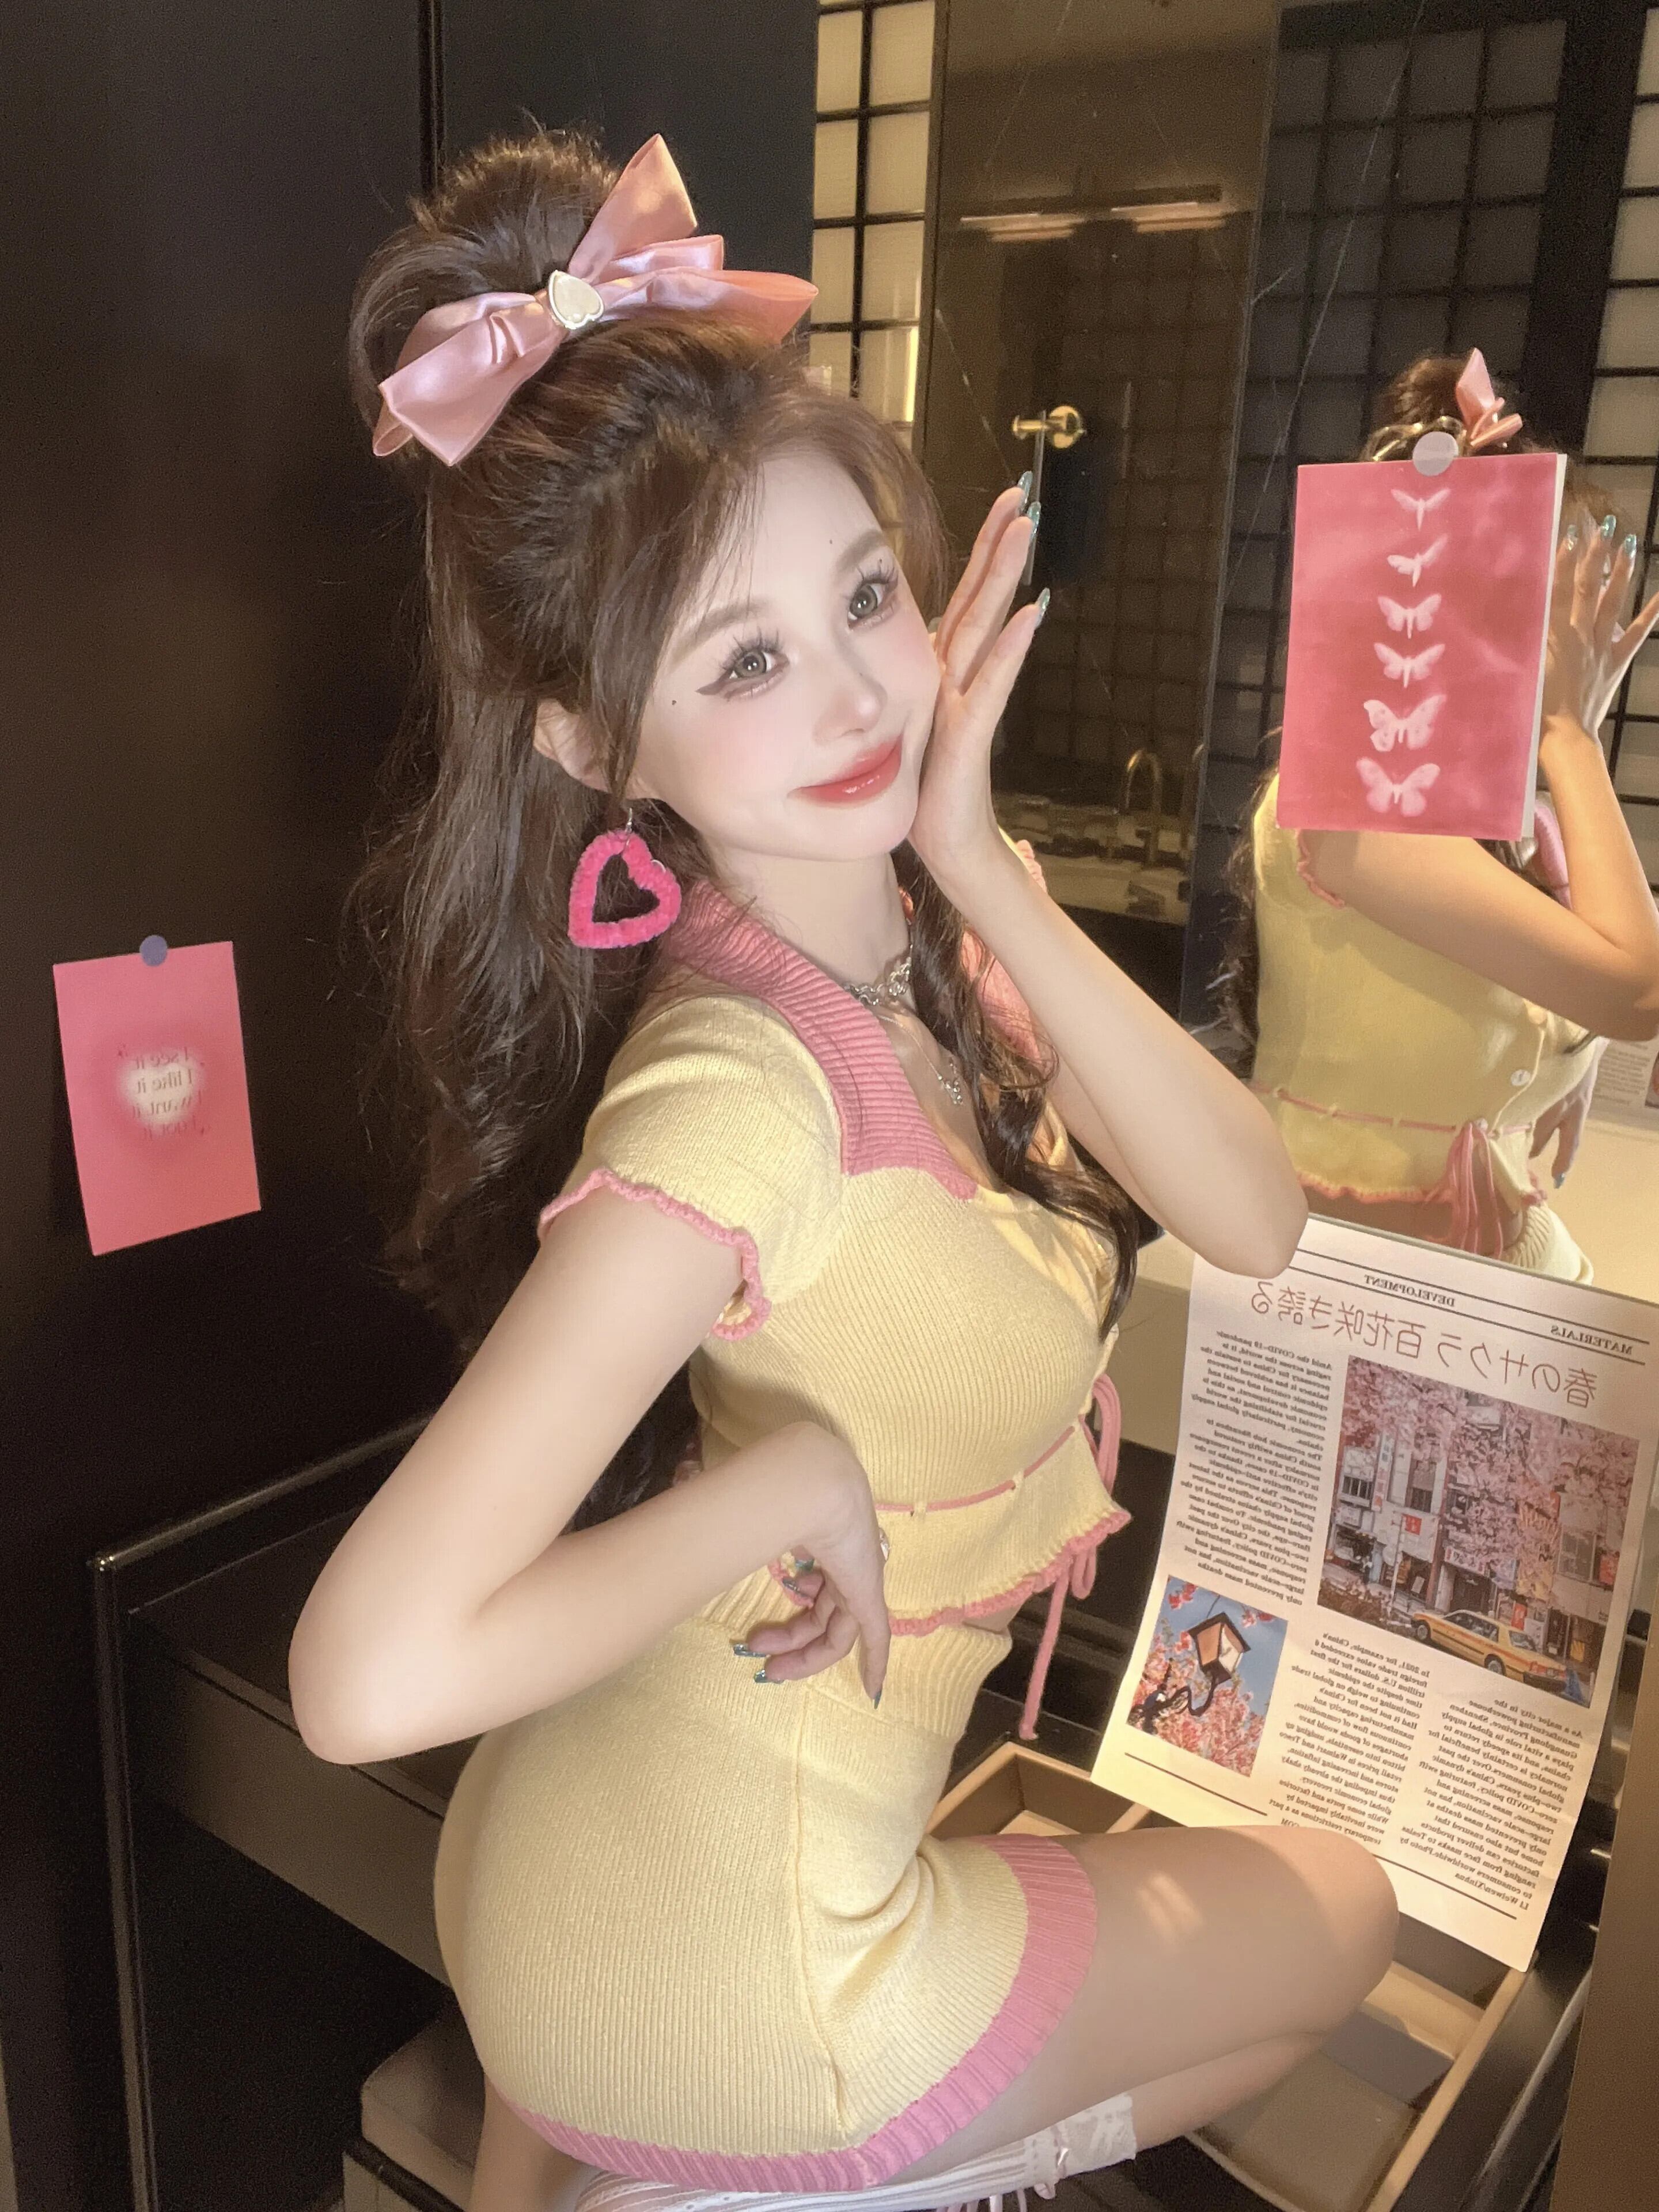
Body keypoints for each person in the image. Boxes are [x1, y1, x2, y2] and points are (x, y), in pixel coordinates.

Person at [287, 130, 1396, 2212]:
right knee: (1344, 1915)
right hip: (741, 1965)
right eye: (743, 660)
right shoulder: (740, 1095)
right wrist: (780, 1486)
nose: (861, 692)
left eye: (864, 597)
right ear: (591, 747)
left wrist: (978, 858)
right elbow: (363, 1678)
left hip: (591, 1844)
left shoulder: (922, 941)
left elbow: (1257, 1215)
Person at [1220, 353, 1659, 1281]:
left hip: (1472, 1271)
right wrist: (1572, 737)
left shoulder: (1512, 824)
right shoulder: (1350, 808)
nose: (1589, 640)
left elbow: (1578, 995)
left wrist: (1570, 1063)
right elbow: (1636, 992)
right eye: (1564, 611)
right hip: (1361, 1282)